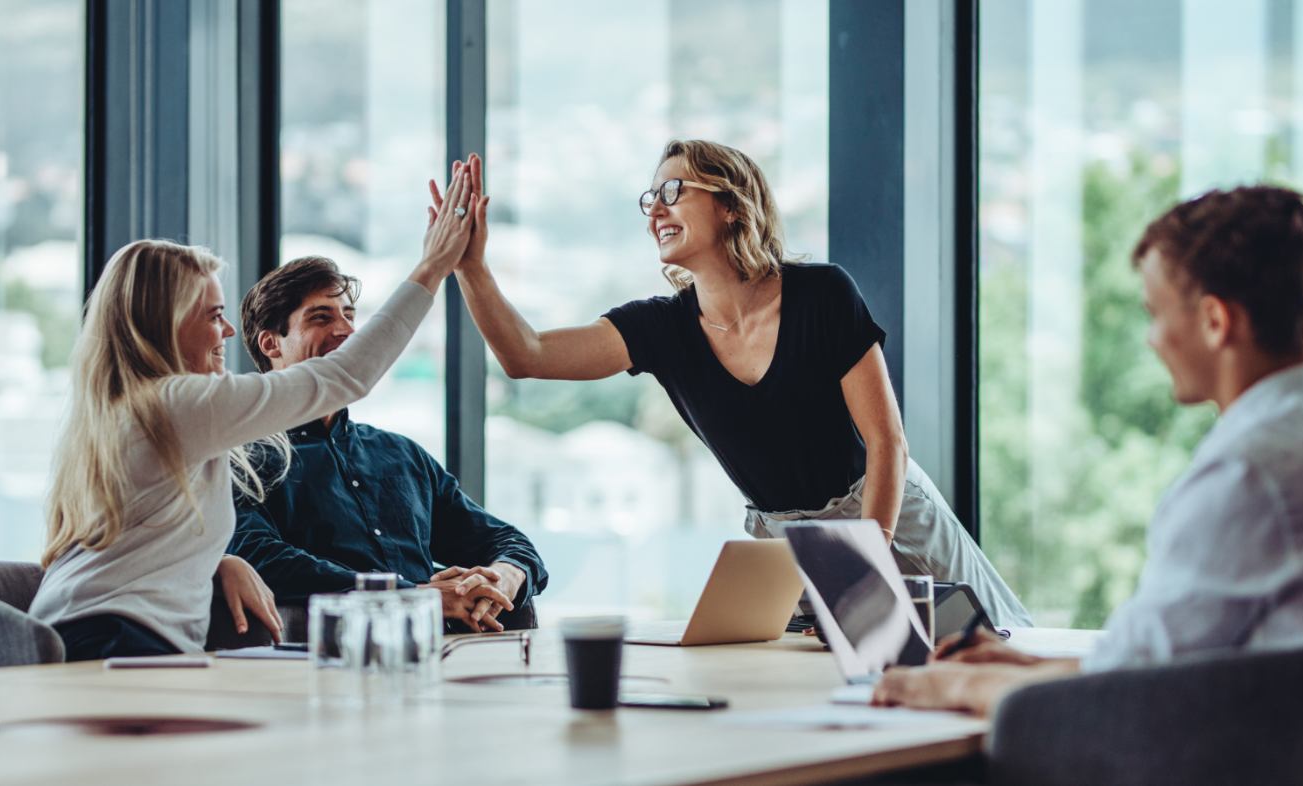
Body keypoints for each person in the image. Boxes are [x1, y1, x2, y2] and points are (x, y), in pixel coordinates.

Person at [440, 141, 1031, 626]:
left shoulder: (823, 294)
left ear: (730, 205)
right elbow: (527, 354)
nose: (656, 211)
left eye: (674, 191)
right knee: (825, 691)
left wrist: (864, 561)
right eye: (651, 199)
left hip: (886, 513)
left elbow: (887, 444)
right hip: (786, 545)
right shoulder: (662, 327)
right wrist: (472, 267)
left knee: (996, 650)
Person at [872, 185, 1303, 715]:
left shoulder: (1249, 471)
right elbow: (1156, 658)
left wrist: (947, 687)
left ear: (1215, 322)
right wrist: (1026, 665)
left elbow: (1125, 694)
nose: (1152, 339)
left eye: (1156, 314)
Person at [28, 167, 479, 660]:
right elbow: (345, 377)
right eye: (211, 315)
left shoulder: (127, 410)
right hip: (114, 640)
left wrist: (219, 561)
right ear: (164, 324)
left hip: (85, 632)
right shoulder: (174, 404)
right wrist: (432, 268)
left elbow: (138, 537)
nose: (226, 332)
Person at [227, 257, 548, 633]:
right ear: (271, 343)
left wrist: (504, 576)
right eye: (321, 317)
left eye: (349, 315)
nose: (347, 330)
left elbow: (506, 540)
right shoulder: (241, 458)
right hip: (326, 661)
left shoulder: (401, 454)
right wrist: (411, 595)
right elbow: (259, 557)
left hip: (445, 657)